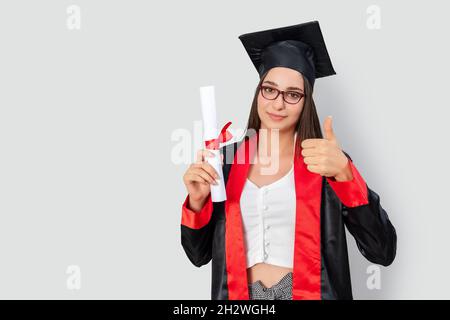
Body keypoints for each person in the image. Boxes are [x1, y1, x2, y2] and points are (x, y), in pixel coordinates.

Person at [180, 21, 397, 300]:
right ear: (258, 92)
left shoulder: (325, 162)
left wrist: (346, 175)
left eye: (292, 94)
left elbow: (383, 251)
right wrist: (197, 203)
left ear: (307, 101)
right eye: (269, 89)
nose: (278, 103)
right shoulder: (226, 160)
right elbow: (198, 256)